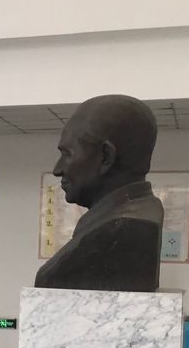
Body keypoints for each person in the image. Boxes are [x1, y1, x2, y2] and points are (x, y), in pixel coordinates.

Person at [35, 94, 164, 292]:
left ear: (105, 156)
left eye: (67, 154)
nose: (57, 169)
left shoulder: (122, 227)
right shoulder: (143, 211)